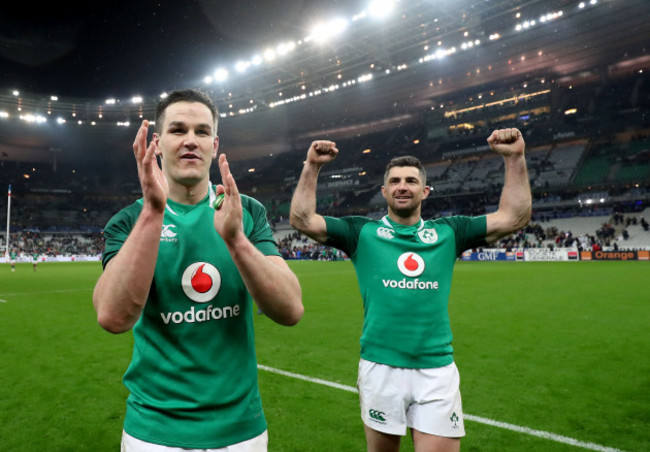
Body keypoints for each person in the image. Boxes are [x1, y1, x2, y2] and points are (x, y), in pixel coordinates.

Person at [290, 128, 531, 452]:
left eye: (411, 181)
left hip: (436, 369)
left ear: (425, 191)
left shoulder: (450, 232)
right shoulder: (361, 231)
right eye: (395, 181)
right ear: (384, 191)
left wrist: (515, 158)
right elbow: (302, 219)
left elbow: (514, 217)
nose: (402, 186)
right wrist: (312, 166)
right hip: (380, 367)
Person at [93, 89, 303, 451]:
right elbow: (113, 317)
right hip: (154, 431)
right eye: (178, 130)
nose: (191, 140)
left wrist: (236, 240)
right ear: (156, 143)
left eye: (202, 131)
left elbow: (290, 310)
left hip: (240, 430)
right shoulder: (128, 221)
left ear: (215, 143)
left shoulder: (244, 210)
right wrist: (152, 213)